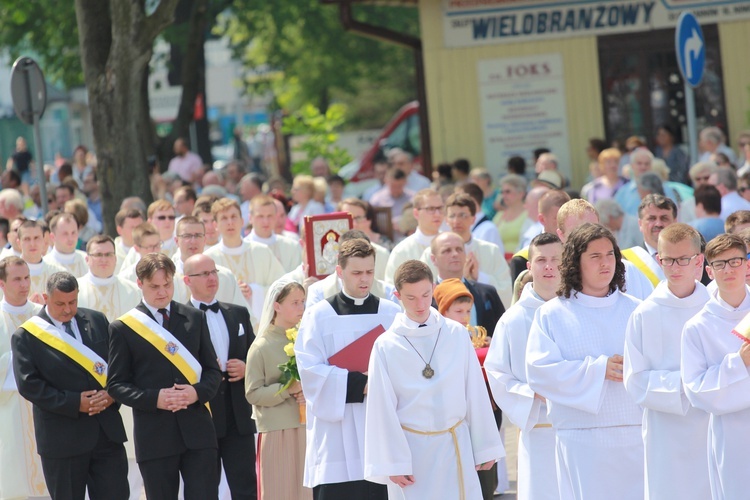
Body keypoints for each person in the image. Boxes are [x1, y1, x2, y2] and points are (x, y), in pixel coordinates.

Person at [363, 260, 504, 499]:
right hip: (412, 453)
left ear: (433, 289)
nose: (420, 305)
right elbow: (381, 407)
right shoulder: (386, 345)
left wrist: (485, 446)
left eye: (426, 295)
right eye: (411, 298)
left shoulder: (456, 333)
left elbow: (474, 391)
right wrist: (392, 463)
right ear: (397, 295)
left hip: (455, 445)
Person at [526, 223, 644, 499]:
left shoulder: (638, 311)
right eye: (595, 256)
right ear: (576, 262)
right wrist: (598, 369)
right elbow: (539, 372)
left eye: (610, 255)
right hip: (581, 438)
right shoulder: (552, 314)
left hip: (635, 434)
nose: (605, 263)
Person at [107, 253, 221, 500]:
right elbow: (116, 384)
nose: (162, 292)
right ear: (140, 284)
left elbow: (212, 371)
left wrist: (196, 392)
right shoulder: (123, 328)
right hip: (155, 435)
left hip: (198, 433)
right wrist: (154, 398)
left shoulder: (194, 317)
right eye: (154, 286)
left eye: (167, 284)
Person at [295, 239, 401, 498]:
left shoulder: (391, 313)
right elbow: (309, 370)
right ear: (340, 272)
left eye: (369, 272)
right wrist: (362, 383)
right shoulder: (318, 315)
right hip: (336, 432)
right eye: (356, 273)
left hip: (379, 425)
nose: (364, 280)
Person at [12, 272, 129, 500]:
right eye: (60, 304)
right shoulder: (27, 336)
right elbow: (29, 385)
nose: (67, 309)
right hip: (62, 439)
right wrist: (75, 403)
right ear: (46, 298)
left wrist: (112, 394)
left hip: (106, 434)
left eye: (72, 302)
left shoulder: (97, 320)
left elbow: (119, 365)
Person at [623, 223, 710, 499]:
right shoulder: (645, 313)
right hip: (665, 428)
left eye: (683, 259)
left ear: (699, 260)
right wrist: (684, 384)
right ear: (658, 259)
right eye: (668, 260)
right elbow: (634, 378)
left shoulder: (714, 308)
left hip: (712, 422)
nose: (675, 267)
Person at [485, 233, 563, 500]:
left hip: (582, 428)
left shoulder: (580, 309)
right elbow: (497, 374)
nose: (549, 266)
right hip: (538, 428)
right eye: (542, 260)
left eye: (556, 259)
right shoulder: (513, 320)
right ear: (529, 267)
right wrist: (533, 393)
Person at [681, 233, 750, 499]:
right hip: (732, 433)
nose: (728, 270)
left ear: (746, 265)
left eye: (734, 261)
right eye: (720, 264)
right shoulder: (697, 327)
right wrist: (738, 364)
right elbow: (696, 389)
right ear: (709, 271)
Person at [183, 254, 257, 500]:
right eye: (203, 274)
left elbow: (256, 353)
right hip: (202, 414)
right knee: (203, 488)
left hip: (238, 413)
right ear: (187, 280)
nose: (211, 278)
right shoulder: (178, 321)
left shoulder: (238, 313)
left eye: (213, 272)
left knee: (246, 486)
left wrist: (247, 366)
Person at [245, 280, 312, 500]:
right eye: (294, 302)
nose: (301, 308)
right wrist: (287, 389)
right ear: (277, 306)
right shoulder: (261, 346)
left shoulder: (307, 339)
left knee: (307, 494)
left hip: (307, 428)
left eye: (302, 302)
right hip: (276, 431)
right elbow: (252, 393)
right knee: (278, 492)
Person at [0, 257, 47, 498]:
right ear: (2, 283)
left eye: (27, 277)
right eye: (17, 279)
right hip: (10, 413)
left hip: (45, 409)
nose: (24, 284)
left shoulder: (43, 317)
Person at [422, 193, 512, 307]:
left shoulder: (491, 251)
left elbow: (507, 290)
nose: (457, 221)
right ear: (446, 220)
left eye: (463, 215)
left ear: (473, 219)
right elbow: (424, 290)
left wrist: (479, 277)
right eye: (452, 216)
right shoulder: (432, 253)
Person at [205, 199, 284, 325]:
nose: (230, 222)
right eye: (224, 218)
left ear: (242, 221)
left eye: (233, 217)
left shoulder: (261, 251)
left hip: (263, 327)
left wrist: (255, 291)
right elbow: (205, 297)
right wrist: (235, 293)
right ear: (215, 225)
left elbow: (282, 286)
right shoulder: (209, 258)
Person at [430, 231, 505, 333]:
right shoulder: (427, 299)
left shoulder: (488, 293)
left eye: (459, 249)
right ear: (433, 259)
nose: (455, 254)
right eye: (447, 250)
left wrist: (492, 342)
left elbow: (504, 331)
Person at [305, 230, 399, 308]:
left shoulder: (388, 294)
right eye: (357, 273)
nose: (364, 278)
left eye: (369, 272)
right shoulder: (318, 292)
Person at [172, 216, 246, 307]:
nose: (193, 241)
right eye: (187, 236)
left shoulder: (225, 276)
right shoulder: (169, 280)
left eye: (198, 235)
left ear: (204, 240)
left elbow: (243, 316)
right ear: (176, 241)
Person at [385, 189, 444, 284]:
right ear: (416, 213)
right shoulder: (402, 251)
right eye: (430, 209)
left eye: (440, 208)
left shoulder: (453, 244)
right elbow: (391, 289)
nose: (437, 214)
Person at [78, 235, 141, 322]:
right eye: (98, 255)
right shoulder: (76, 290)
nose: (104, 259)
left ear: (115, 258)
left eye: (108, 254)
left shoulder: (134, 292)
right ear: (87, 259)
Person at [621, 194, 677, 288]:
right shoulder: (625, 260)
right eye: (652, 218)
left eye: (664, 218)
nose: (658, 224)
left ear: (675, 222)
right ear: (640, 224)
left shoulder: (689, 257)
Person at [244, 195, 302, 273]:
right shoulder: (243, 249)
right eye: (260, 216)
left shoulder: (292, 247)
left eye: (269, 216)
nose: (266, 221)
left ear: (275, 217)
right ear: (250, 218)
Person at [18, 220, 66, 299]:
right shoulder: (7, 274)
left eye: (36, 238)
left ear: (44, 241)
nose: (32, 244)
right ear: (19, 243)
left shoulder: (58, 274)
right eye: (27, 239)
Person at [492, 174, 530, 253]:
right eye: (502, 192)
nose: (504, 195)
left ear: (521, 194)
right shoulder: (499, 215)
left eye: (508, 192)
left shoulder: (528, 215)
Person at [44, 212, 88, 277]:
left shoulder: (87, 260)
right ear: (53, 237)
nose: (70, 238)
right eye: (65, 234)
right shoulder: (45, 265)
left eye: (73, 233)